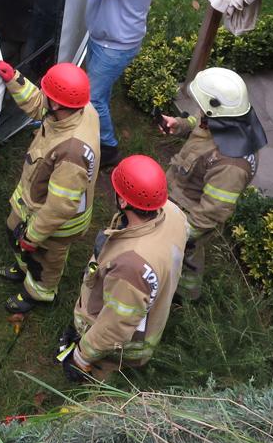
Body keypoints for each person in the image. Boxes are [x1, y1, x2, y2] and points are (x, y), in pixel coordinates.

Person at [27, 0, 159, 167]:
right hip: (102, 36)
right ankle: (84, 124)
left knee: (92, 98)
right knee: (99, 91)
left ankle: (108, 149)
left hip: (116, 46)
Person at [60, 155, 186, 382]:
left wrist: (81, 356)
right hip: (148, 303)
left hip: (121, 348)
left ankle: (95, 399)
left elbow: (114, 328)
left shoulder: (131, 266)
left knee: (98, 379)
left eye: (118, 192)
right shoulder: (173, 212)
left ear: (125, 202)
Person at [0, 60, 99, 314]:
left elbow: (59, 207)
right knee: (15, 233)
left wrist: (34, 236)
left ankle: (38, 293)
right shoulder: (77, 108)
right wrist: (14, 79)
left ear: (59, 104)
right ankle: (23, 268)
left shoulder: (72, 152)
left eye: (49, 97)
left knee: (45, 259)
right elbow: (39, 104)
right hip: (34, 202)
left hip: (56, 224)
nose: (45, 100)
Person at [158, 67, 267, 301]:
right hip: (181, 192)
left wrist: (175, 235)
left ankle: (186, 293)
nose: (200, 114)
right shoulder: (227, 116)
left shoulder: (231, 166)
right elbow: (198, 119)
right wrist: (181, 124)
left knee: (188, 253)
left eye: (202, 106)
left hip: (191, 214)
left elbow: (209, 214)